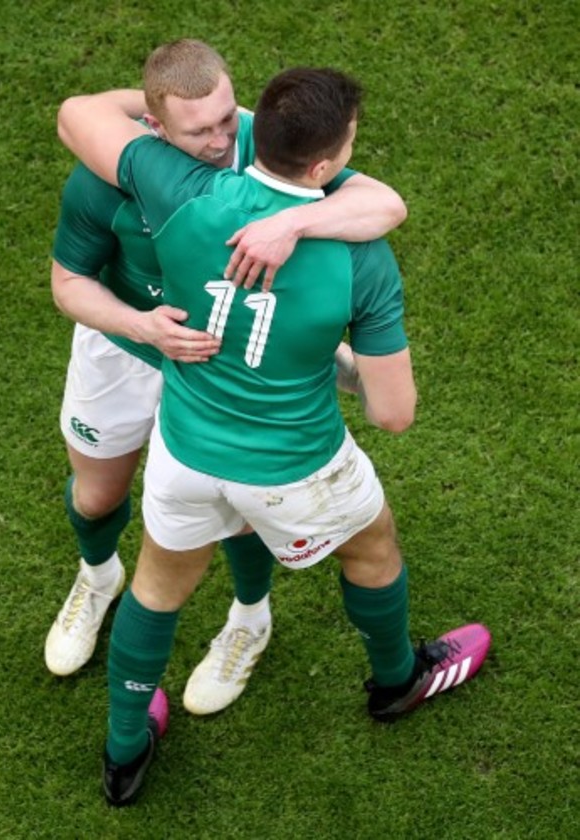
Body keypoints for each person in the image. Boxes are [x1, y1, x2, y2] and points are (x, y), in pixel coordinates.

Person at [59, 62, 491, 807]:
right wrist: (339, 358)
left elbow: (81, 116)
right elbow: (393, 413)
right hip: (296, 465)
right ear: (325, 165)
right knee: (373, 546)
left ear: (258, 126)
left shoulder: (180, 194)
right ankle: (398, 680)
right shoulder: (361, 256)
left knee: (158, 588)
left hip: (186, 453)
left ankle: (124, 751)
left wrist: (156, 111)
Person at [47, 35, 408, 722]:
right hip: (129, 345)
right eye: (199, 129)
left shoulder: (264, 147)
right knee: (96, 498)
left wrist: (293, 223)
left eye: (227, 117)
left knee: (234, 509)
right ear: (153, 127)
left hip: (221, 363)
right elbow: (69, 283)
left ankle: (249, 618)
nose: (222, 140)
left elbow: (386, 206)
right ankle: (97, 579)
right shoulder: (110, 172)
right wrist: (141, 325)